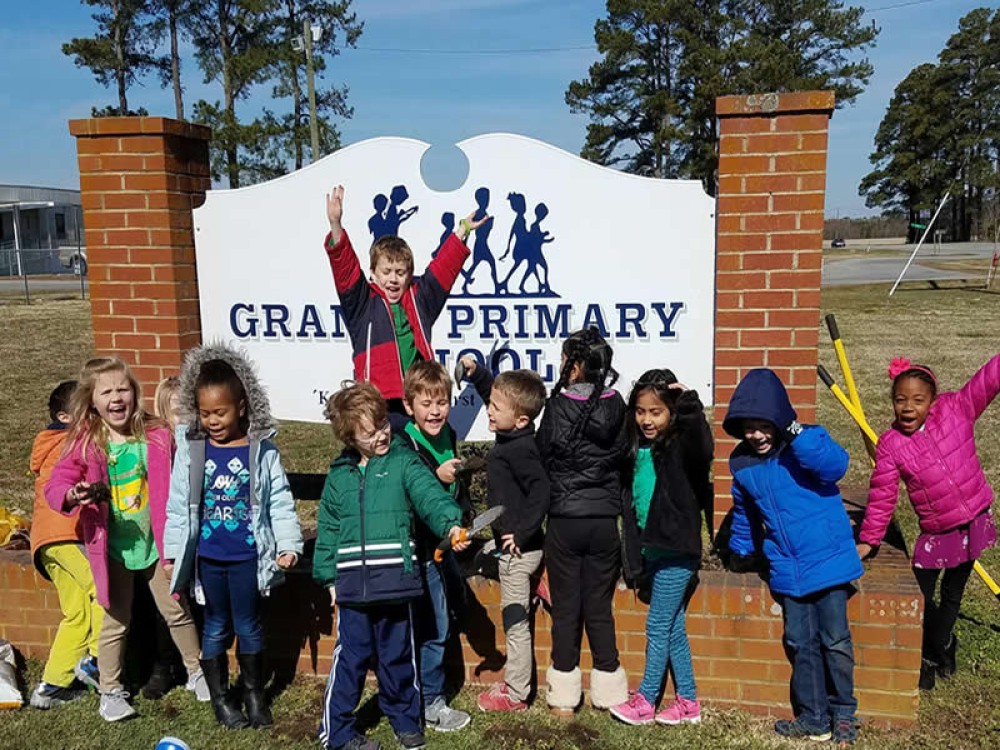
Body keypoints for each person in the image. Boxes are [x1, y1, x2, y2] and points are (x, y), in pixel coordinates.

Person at [45, 357, 208, 722]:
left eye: (124, 389)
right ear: (91, 400)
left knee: (176, 610)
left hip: (156, 545)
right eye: (107, 392)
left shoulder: (156, 435)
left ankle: (197, 672)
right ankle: (111, 691)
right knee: (115, 621)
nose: (117, 398)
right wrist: (73, 494)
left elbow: (184, 469)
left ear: (134, 394)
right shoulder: (86, 443)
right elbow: (57, 484)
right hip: (112, 549)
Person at [314, 383, 468, 750]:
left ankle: (405, 719)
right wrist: (329, 578)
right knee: (350, 661)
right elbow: (329, 530)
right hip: (353, 588)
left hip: (397, 582)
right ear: (350, 437)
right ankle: (337, 731)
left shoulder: (403, 461)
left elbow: (429, 495)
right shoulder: (339, 477)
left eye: (383, 424)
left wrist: (451, 522)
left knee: (399, 657)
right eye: (371, 432)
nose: (382, 434)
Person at [164, 345, 304, 729]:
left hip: (247, 557)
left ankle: (254, 694)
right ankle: (222, 699)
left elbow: (278, 500)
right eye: (205, 413)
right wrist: (174, 553)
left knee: (248, 625)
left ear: (241, 407)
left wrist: (289, 545)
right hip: (209, 558)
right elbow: (178, 505)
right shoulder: (193, 452)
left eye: (220, 412)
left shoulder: (261, 451)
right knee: (215, 625)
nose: (212, 421)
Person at [725, 368, 862, 746]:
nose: (756, 434)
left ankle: (844, 713)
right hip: (788, 568)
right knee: (800, 642)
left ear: (780, 421)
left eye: (764, 425)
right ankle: (814, 717)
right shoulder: (743, 464)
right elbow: (745, 513)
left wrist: (795, 433)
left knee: (835, 641)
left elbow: (836, 465)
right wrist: (741, 549)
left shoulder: (807, 443)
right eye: (748, 427)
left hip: (828, 563)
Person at [857, 354, 1000, 690]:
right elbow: (882, 495)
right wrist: (869, 538)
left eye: (918, 400)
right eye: (900, 400)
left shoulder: (956, 409)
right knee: (918, 596)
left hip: (973, 521)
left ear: (933, 401)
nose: (908, 408)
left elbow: (988, 380)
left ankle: (941, 649)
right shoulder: (891, 445)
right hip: (937, 532)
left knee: (952, 595)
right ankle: (921, 654)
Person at [321, 184, 486, 419]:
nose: (393, 279)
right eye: (387, 271)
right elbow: (344, 267)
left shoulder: (419, 299)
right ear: (374, 273)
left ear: (410, 274)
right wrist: (335, 225)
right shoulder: (362, 303)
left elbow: (443, 268)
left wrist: (463, 231)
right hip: (376, 400)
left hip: (418, 398)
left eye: (400, 272)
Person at [611, 369, 713, 727]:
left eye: (656, 412)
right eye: (641, 411)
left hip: (676, 552)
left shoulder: (681, 447)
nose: (647, 420)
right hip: (654, 552)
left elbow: (703, 446)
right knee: (673, 628)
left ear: (670, 413)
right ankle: (687, 702)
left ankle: (646, 700)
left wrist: (689, 406)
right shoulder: (639, 450)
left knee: (656, 626)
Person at [536, 327, 629, 714]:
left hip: (565, 521)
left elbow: (543, 454)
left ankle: (564, 697)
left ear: (573, 367)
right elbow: (625, 455)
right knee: (598, 606)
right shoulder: (618, 405)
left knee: (566, 609)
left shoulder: (557, 406)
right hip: (605, 521)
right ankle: (609, 692)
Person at [397, 359, 490, 731]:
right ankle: (430, 702)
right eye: (426, 403)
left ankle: (429, 686)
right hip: (418, 550)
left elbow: (458, 490)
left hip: (444, 546)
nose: (435, 411)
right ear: (409, 406)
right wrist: (434, 477)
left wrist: (462, 525)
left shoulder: (448, 433)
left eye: (442, 402)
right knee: (433, 626)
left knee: (452, 612)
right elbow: (408, 493)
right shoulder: (404, 444)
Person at [464, 365, 550, 713]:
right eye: (490, 404)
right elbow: (497, 396)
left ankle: (516, 694)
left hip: (519, 550)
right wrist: (478, 373)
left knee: (515, 624)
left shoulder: (521, 450)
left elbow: (542, 491)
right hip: (506, 545)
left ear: (522, 421)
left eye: (495, 408)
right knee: (476, 557)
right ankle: (540, 581)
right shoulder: (510, 434)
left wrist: (524, 533)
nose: (488, 409)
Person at [29, 380, 103, 709]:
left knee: (76, 613)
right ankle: (100, 662)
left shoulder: (51, 443)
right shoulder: (71, 444)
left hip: (47, 542)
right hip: (64, 534)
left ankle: (52, 687)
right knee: (102, 589)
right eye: (85, 410)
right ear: (64, 416)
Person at [141, 374, 185, 701]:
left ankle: (194, 663)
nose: (184, 416)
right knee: (166, 605)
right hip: (165, 535)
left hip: (196, 530)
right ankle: (163, 665)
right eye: (177, 410)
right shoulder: (160, 445)